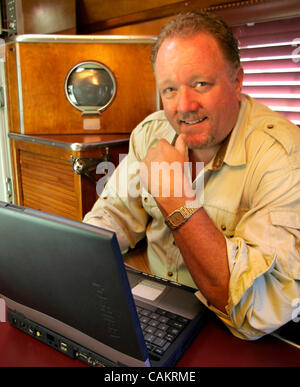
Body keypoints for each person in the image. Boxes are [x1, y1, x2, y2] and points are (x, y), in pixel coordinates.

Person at [83, 11, 300, 340]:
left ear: (237, 80)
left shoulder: (282, 156)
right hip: (156, 312)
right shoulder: (150, 134)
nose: (184, 105)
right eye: (169, 89)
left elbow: (256, 309)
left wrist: (174, 197)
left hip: (230, 331)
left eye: (201, 84)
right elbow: (114, 215)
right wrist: (73, 265)